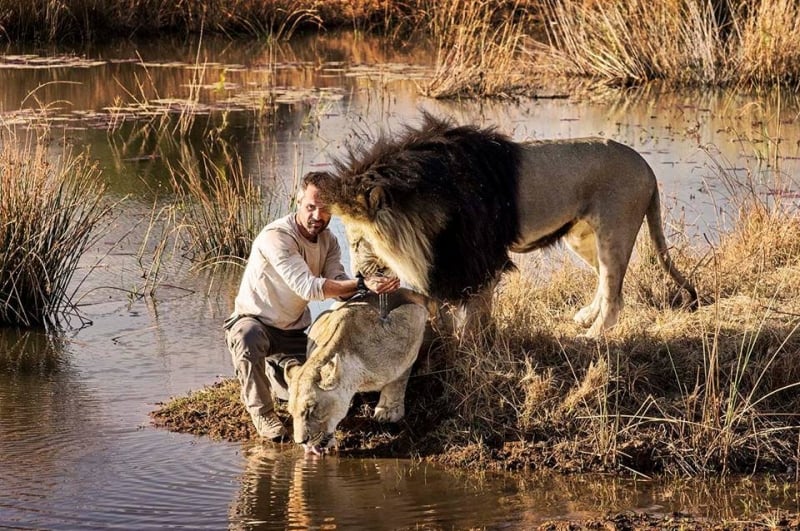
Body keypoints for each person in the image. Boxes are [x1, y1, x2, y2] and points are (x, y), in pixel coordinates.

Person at [224, 171, 400, 441]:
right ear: (298, 201)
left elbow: (338, 285)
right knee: (247, 338)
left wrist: (375, 280)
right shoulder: (277, 237)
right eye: (311, 207)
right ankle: (262, 413)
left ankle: (275, 373)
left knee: (322, 383)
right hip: (255, 322)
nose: (318, 216)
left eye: (325, 210)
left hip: (293, 332)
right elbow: (309, 287)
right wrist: (363, 284)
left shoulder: (329, 241)